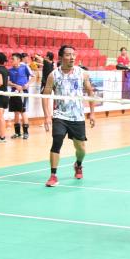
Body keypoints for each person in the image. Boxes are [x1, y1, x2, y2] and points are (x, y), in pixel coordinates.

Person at [42, 45, 95, 187]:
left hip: (77, 116)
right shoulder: (53, 75)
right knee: (57, 141)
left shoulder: (82, 73)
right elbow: (45, 96)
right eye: (68, 55)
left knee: (81, 148)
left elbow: (90, 92)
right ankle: (53, 175)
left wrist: (92, 113)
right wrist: (47, 116)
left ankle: (78, 164)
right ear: (60, 57)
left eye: (73, 55)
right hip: (60, 115)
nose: (72, 57)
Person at [8, 52, 32, 139]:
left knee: (23, 111)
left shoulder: (24, 67)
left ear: (18, 60)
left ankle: (26, 132)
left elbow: (33, 77)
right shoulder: (10, 70)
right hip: (13, 93)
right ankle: (17, 133)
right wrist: (15, 85)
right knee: (16, 112)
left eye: (13, 59)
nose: (11, 60)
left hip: (23, 92)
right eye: (11, 59)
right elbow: (7, 82)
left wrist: (27, 84)